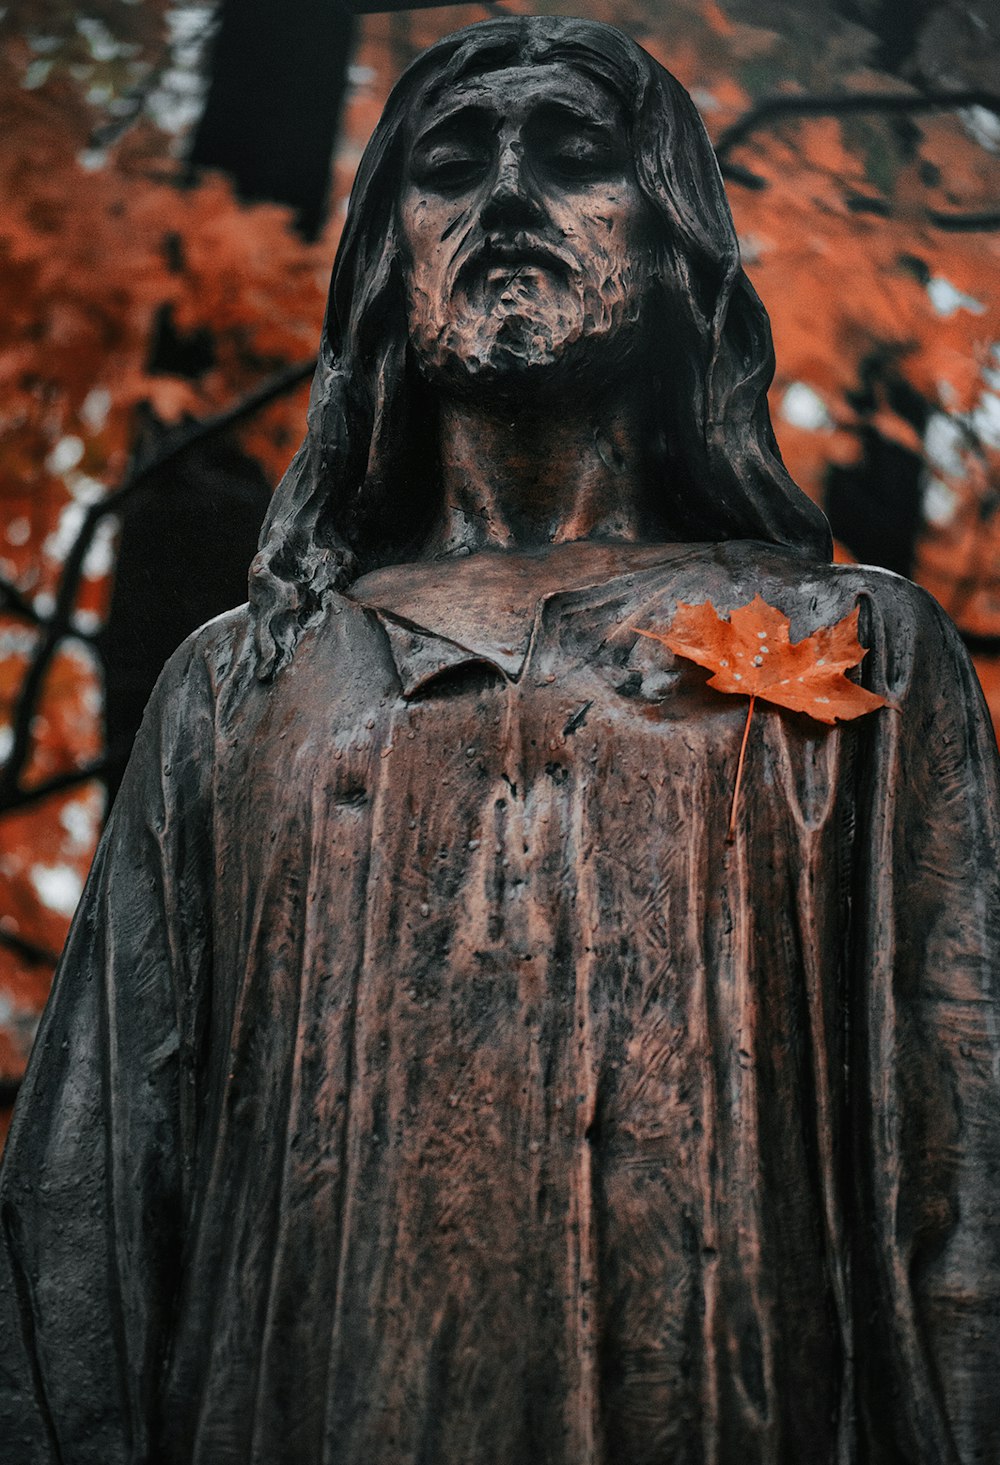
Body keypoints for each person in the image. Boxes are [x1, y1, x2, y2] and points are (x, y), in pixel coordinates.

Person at [1, 17, 997, 1464]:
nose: (507, 194)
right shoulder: (244, 680)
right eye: (451, 163)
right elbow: (89, 1204)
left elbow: (966, 1165)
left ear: (678, 253)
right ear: (387, 272)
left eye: (577, 153)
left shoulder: (857, 647)